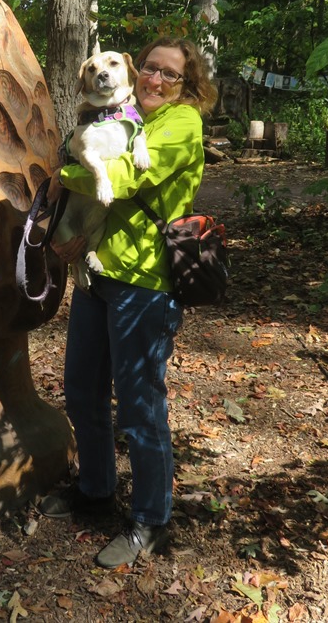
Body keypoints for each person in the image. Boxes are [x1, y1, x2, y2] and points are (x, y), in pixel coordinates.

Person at [39, 36, 218, 568]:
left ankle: (150, 520)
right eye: (150, 69)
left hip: (145, 282)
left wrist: (58, 175)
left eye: (170, 74)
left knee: (139, 409)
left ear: (188, 85)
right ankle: (95, 491)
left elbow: (124, 176)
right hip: (95, 274)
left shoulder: (181, 124)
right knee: (81, 393)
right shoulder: (124, 109)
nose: (156, 79)